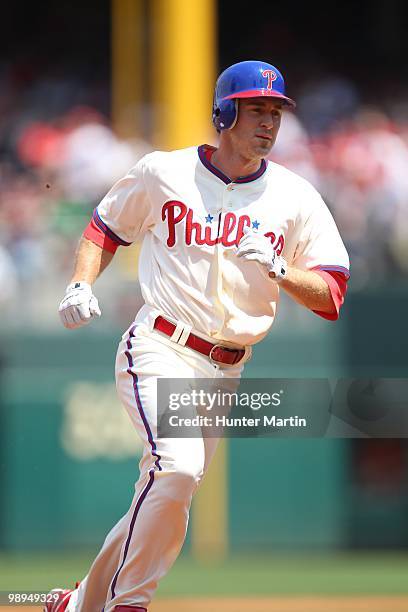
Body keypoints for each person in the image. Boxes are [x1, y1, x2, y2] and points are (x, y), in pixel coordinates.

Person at [49, 60, 350, 612]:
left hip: (227, 367)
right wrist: (79, 283)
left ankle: (77, 604)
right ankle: (128, 604)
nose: (268, 122)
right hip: (161, 342)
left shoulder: (295, 196)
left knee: (166, 489)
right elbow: (104, 227)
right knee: (178, 469)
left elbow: (331, 293)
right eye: (255, 108)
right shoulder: (165, 172)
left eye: (275, 111)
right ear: (224, 112)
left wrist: (282, 270)